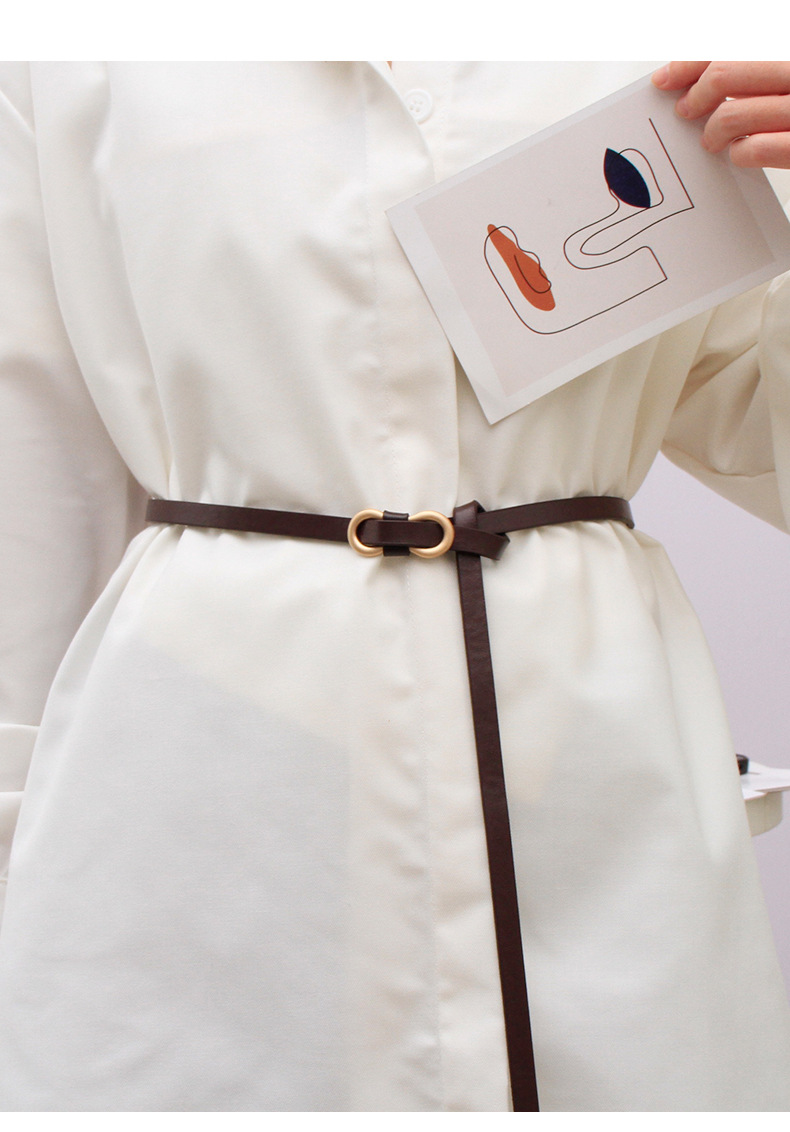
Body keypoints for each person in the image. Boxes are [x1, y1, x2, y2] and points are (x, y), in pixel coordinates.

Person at [0, 60, 789, 1112]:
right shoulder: (64, 53)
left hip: (589, 781)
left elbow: (762, 430)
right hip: (198, 791)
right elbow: (36, 473)